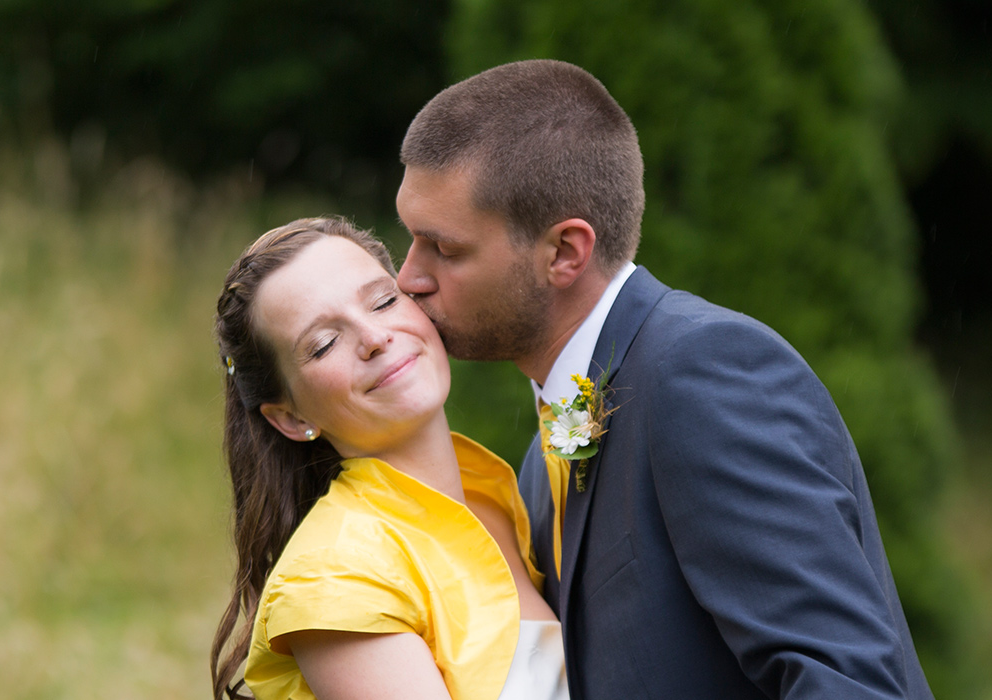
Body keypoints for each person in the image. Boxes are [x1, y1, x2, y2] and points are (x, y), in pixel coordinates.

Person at [392, 59, 934, 699]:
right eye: (410, 241)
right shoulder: (546, 457)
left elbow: (846, 683)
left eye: (444, 249)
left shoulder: (705, 372)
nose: (408, 278)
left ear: (566, 252)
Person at [207, 217, 568, 700]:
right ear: (290, 418)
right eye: (324, 344)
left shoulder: (494, 493)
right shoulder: (332, 574)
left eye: (382, 300)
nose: (374, 336)